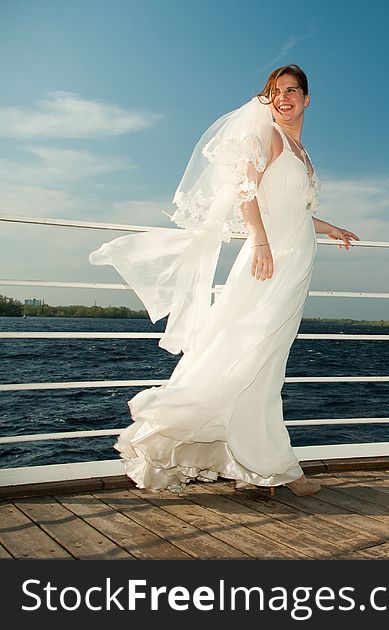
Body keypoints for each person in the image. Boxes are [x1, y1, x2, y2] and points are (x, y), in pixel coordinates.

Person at [90, 64, 358, 496]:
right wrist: (261, 245)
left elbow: (292, 207)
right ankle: (267, 462)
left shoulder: (300, 150)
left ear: (308, 99)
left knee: (267, 363)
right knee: (245, 350)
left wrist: (329, 229)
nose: (284, 98)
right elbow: (245, 192)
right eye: (275, 92)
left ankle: (252, 461)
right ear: (267, 100)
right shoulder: (268, 137)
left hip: (296, 260)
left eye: (292, 90)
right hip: (268, 261)